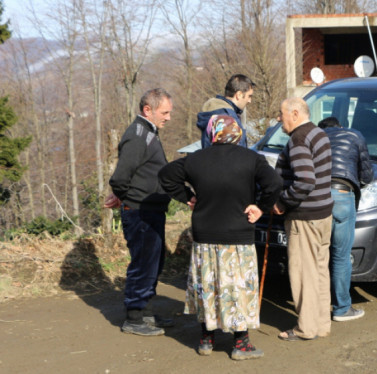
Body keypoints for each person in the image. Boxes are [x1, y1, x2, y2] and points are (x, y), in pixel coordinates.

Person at [158, 115, 281, 360]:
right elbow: (275, 182)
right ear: (237, 133)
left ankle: (206, 340)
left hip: (205, 236)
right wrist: (261, 207)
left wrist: (187, 197)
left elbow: (165, 175)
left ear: (213, 134)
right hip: (238, 236)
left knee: (209, 287)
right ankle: (241, 344)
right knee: (238, 288)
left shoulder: (195, 159)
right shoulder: (251, 159)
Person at [104, 88, 175, 336]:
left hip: (150, 209)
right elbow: (120, 178)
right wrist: (127, 198)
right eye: (164, 112)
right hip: (140, 211)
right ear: (148, 110)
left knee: (154, 262)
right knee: (143, 263)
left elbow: (142, 173)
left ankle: (145, 313)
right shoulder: (137, 135)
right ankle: (134, 318)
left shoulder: (148, 132)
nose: (168, 117)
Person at [273, 97, 333, 341]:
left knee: (302, 273)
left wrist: (282, 202)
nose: (279, 119)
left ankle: (306, 329)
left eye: (281, 114)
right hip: (322, 214)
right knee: (319, 271)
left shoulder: (298, 138)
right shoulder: (319, 133)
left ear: (295, 114)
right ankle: (320, 325)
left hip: (304, 217)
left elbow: (305, 180)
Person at [317, 116, 373, 322]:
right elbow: (367, 176)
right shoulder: (354, 135)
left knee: (317, 255)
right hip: (342, 194)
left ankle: (316, 309)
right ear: (340, 127)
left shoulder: (315, 137)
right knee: (340, 256)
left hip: (317, 199)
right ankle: (341, 309)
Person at [196, 74, 255, 148]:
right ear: (239, 95)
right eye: (249, 96)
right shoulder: (228, 118)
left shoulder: (215, 112)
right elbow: (234, 152)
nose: (250, 101)